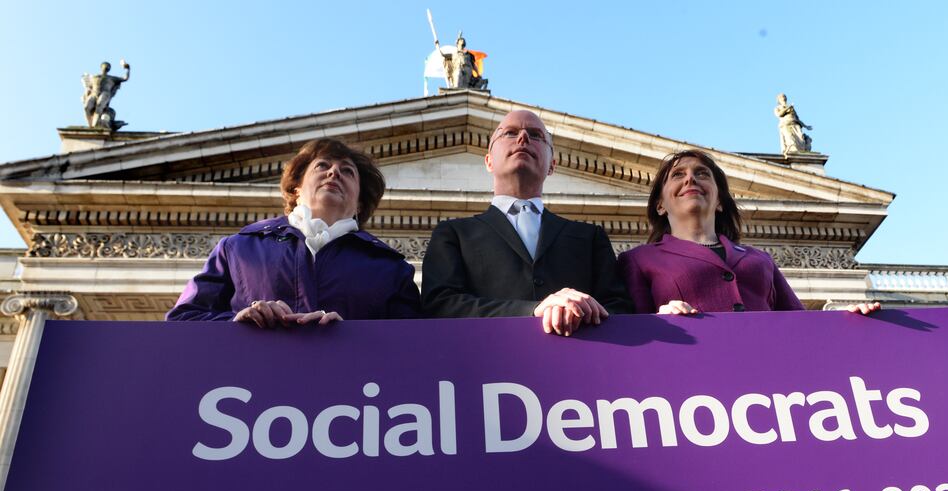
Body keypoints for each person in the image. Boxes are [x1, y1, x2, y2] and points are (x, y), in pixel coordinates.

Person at [167, 138, 421, 326]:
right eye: (322, 166)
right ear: (297, 188)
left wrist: (349, 334)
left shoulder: (390, 268)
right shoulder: (239, 248)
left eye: (347, 172)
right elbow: (182, 319)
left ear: (360, 204)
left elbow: (416, 345)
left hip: (351, 393)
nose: (334, 173)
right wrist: (237, 321)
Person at [421, 109, 632, 335]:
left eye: (535, 135)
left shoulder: (590, 237)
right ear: (489, 161)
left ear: (552, 165)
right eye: (510, 133)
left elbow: (621, 311)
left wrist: (582, 310)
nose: (523, 138)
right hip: (487, 365)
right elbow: (439, 305)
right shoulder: (454, 233)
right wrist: (533, 310)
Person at [618, 150, 879, 315]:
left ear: (719, 200)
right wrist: (659, 320)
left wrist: (845, 320)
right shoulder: (638, 260)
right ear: (660, 205)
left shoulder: (759, 258)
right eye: (677, 175)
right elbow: (632, 336)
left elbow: (800, 323)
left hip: (766, 382)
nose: (690, 179)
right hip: (693, 388)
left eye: (702, 174)